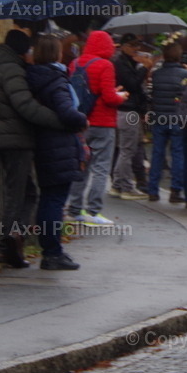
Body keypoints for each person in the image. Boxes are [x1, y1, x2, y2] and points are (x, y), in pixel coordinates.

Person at [0, 29, 69, 268]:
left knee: (28, 193)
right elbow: (25, 105)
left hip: (4, 137)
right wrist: (61, 120)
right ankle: (6, 243)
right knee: (17, 192)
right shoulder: (12, 69)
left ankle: (14, 238)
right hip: (14, 139)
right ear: (22, 50)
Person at [25, 35, 89, 270]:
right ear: (56, 54)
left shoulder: (35, 77)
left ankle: (50, 250)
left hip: (44, 144)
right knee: (54, 201)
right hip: (58, 147)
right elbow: (67, 112)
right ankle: (52, 253)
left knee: (48, 199)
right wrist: (82, 119)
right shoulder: (56, 80)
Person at [66, 30, 128, 226]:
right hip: (103, 124)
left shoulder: (74, 64)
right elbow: (109, 98)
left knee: (81, 166)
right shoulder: (105, 65)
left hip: (81, 122)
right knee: (101, 168)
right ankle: (93, 211)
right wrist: (121, 96)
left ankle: (75, 209)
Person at [147, 43, 187, 203]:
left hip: (160, 118)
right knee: (178, 154)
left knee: (157, 154)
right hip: (177, 119)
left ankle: (152, 190)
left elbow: (152, 95)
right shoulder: (185, 74)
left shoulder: (156, 74)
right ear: (179, 56)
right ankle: (175, 191)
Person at [109, 33, 150, 199]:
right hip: (126, 110)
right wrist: (145, 68)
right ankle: (125, 187)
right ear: (124, 46)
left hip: (129, 109)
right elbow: (132, 84)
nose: (137, 49)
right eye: (133, 45)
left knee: (125, 150)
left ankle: (118, 185)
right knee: (127, 151)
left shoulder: (127, 62)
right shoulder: (119, 63)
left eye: (138, 45)